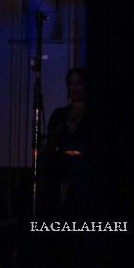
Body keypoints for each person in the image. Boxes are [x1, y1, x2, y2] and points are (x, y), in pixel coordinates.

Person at [39, 67, 89, 220]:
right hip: (63, 169)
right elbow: (50, 145)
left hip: (85, 169)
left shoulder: (92, 113)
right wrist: (41, 168)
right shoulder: (60, 114)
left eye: (79, 83)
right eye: (71, 83)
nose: (74, 88)